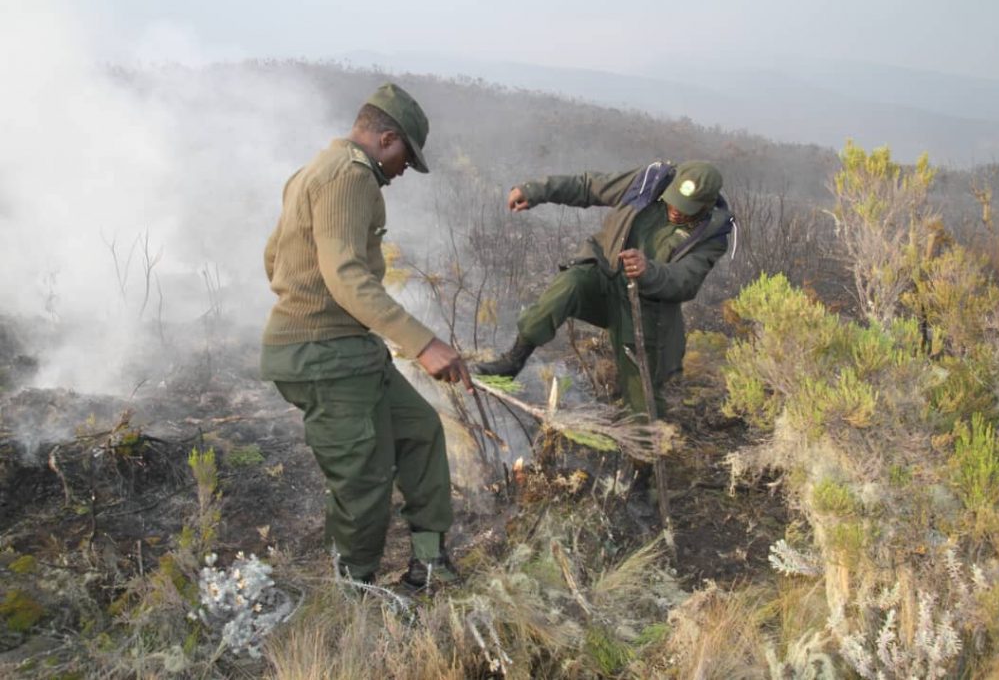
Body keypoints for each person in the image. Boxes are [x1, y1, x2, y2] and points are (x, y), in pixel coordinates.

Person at [260, 82, 470, 592]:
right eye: (405, 160)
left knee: (419, 429)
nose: (402, 174)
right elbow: (347, 276)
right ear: (387, 138)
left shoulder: (312, 171)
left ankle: (428, 563)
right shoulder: (350, 178)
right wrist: (422, 343)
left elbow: (274, 258)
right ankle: (356, 592)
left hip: (349, 348)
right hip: (324, 357)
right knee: (365, 481)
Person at [475, 160, 736, 418]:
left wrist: (649, 270)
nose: (677, 211)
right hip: (602, 275)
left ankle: (643, 451)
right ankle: (513, 360)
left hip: (644, 307)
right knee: (568, 285)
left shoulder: (711, 235)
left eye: (687, 208)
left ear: (706, 205)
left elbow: (685, 280)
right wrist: (534, 191)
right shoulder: (648, 183)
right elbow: (589, 187)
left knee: (642, 400)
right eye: (674, 201)